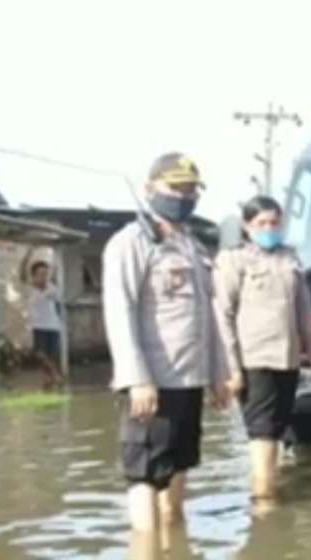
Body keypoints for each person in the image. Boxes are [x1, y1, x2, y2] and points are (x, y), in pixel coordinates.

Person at [102, 152, 230, 550]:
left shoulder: (191, 245)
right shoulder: (131, 243)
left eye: (191, 189)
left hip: (189, 377)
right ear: (150, 189)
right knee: (144, 473)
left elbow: (207, 316)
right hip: (152, 380)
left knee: (179, 467)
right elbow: (119, 312)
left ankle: (174, 547)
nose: (185, 196)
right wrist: (137, 377)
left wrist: (218, 374)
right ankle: (145, 550)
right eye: (176, 187)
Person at [213, 195, 311, 505]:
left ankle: (270, 490)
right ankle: (263, 501)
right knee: (261, 433)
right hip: (253, 359)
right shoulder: (233, 260)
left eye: (274, 223)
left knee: (277, 429)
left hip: (287, 357)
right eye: (261, 223)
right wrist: (232, 369)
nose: (268, 228)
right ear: (247, 226)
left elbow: (304, 310)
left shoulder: (290, 258)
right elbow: (222, 314)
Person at [20, 253, 64, 388]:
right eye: (40, 274)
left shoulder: (52, 289)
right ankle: (54, 375)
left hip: (53, 326)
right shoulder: (29, 288)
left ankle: (48, 381)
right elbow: (22, 274)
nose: (44, 277)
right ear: (34, 275)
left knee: (52, 356)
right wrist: (28, 255)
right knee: (40, 354)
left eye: (46, 274)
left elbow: (58, 301)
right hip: (38, 326)